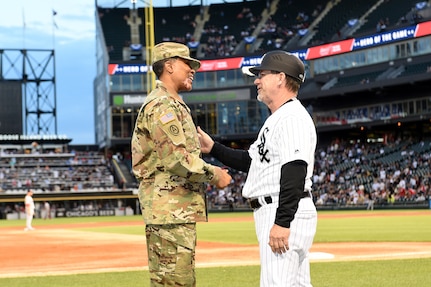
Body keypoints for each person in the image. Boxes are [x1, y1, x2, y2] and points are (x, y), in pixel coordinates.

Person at [198, 50, 318, 286]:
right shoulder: (278, 117)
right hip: (279, 208)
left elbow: (295, 170)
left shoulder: (292, 117)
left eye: (262, 74)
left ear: (280, 78)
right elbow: (251, 161)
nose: (256, 80)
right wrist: (213, 148)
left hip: (281, 210)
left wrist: (282, 222)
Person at [131, 41, 232, 286]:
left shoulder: (170, 102)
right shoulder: (163, 104)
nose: (192, 70)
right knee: (177, 283)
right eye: (187, 63)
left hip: (172, 211)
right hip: (170, 212)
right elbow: (176, 159)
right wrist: (215, 174)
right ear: (169, 66)